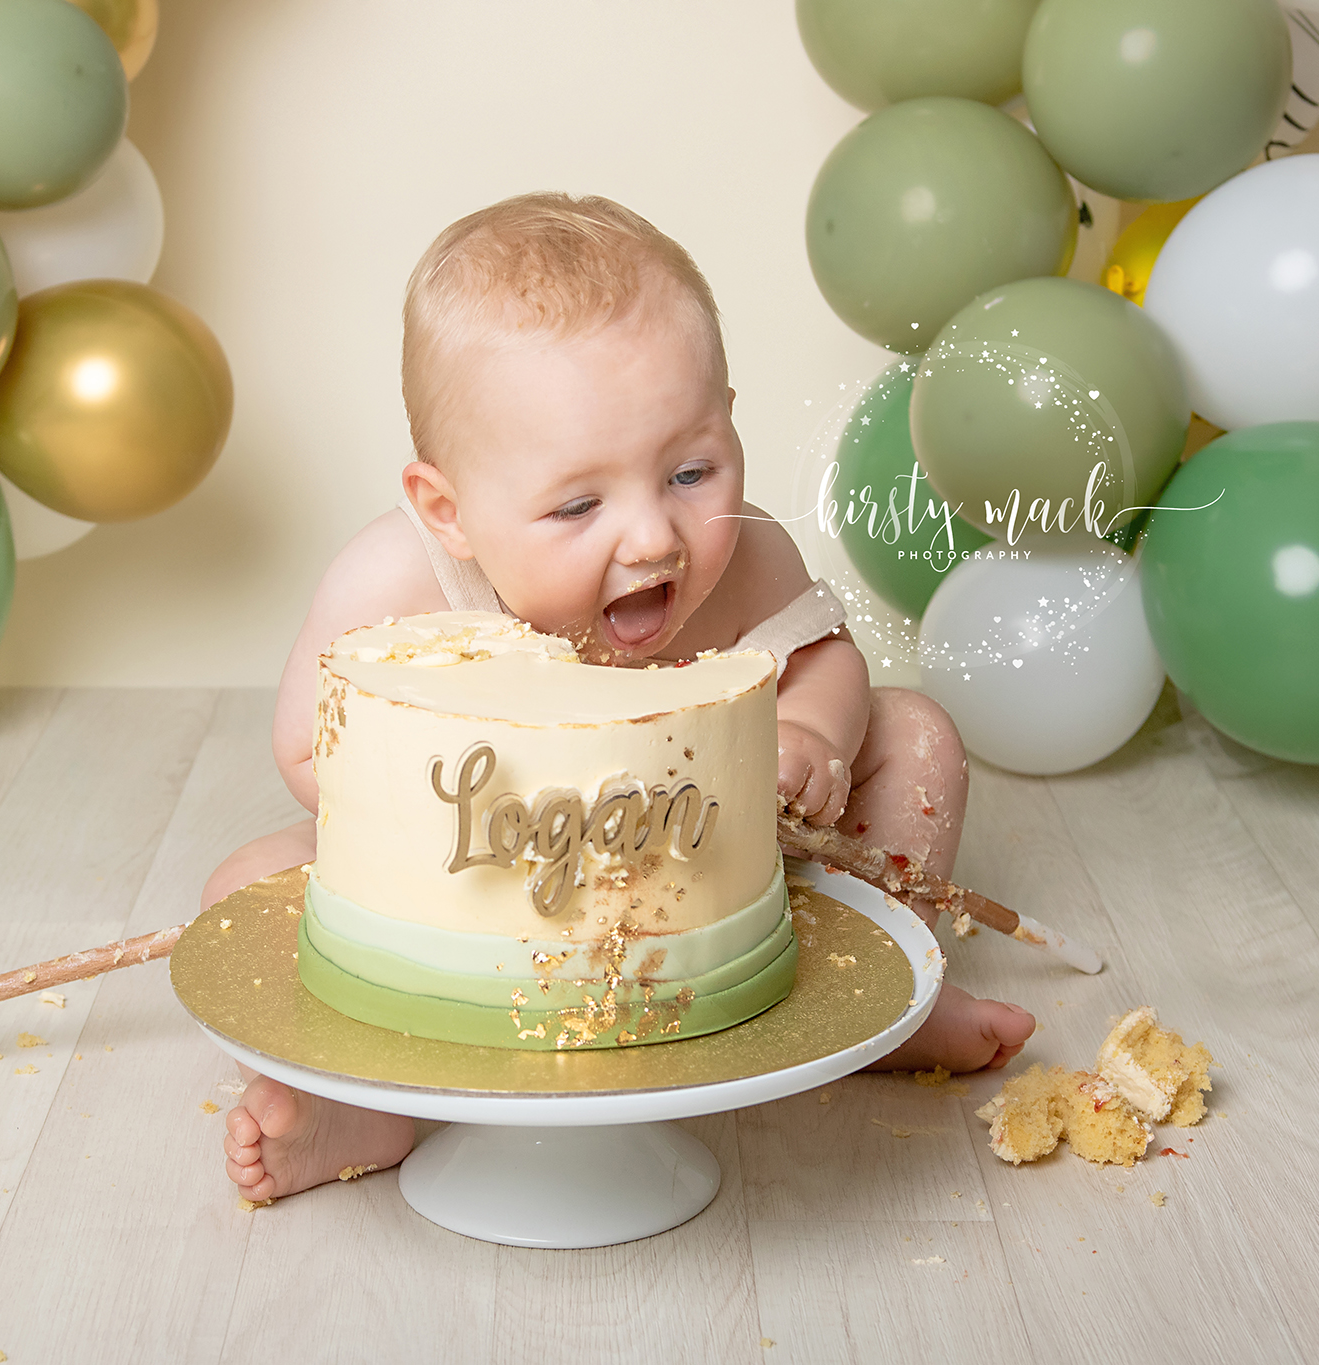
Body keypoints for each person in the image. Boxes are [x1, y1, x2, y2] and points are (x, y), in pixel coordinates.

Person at [208, 192, 1035, 1202]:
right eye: (576, 504)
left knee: (914, 735)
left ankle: (881, 984)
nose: (653, 538)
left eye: (689, 470)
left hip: (716, 876)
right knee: (251, 881)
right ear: (448, 509)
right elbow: (306, 746)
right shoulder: (392, 585)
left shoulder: (747, 556)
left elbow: (820, 658)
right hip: (478, 900)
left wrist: (811, 729)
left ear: (728, 419)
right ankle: (361, 1103)